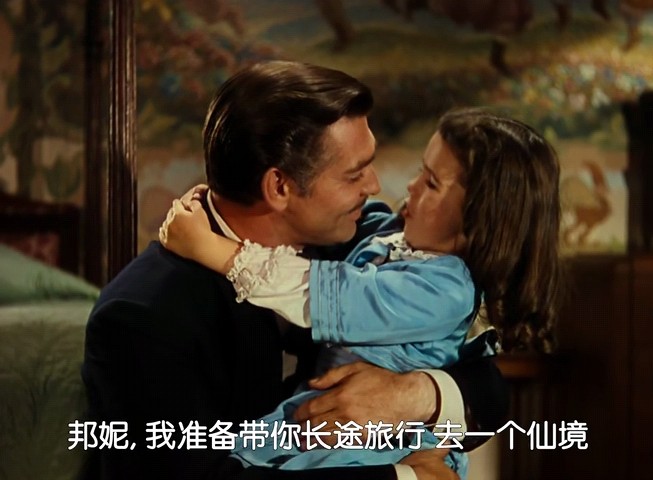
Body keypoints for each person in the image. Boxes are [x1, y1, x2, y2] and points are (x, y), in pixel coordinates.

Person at [82, 61, 509, 480]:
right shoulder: (143, 316)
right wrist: (405, 477)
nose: (375, 186)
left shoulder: (360, 243)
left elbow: (487, 388)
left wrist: (412, 396)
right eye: (354, 174)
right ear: (280, 187)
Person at [159, 107, 563, 477]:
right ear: (278, 184)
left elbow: (325, 294)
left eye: (431, 183)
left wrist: (208, 247)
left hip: (367, 450)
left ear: (478, 221)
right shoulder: (394, 234)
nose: (398, 185)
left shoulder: (445, 288)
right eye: (353, 175)